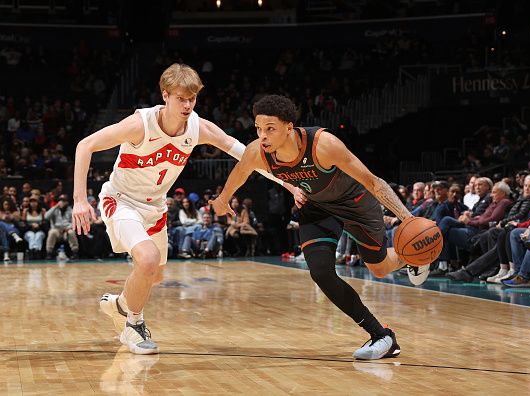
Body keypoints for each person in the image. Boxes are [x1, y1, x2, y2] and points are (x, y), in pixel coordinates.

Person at [71, 64, 295, 355]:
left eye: (192, 98)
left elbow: (244, 152)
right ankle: (133, 326)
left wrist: (288, 183)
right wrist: (79, 199)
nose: (188, 104)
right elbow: (85, 145)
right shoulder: (140, 124)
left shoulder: (198, 127)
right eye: (181, 98)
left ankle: (120, 306)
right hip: (122, 200)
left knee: (155, 276)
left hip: (155, 207)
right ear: (165, 95)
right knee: (147, 260)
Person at [210, 94, 432, 360]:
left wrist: (407, 218)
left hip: (355, 204)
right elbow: (239, 174)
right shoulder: (258, 152)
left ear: (289, 128)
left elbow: (374, 182)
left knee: (381, 268)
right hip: (318, 209)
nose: (263, 136)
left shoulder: (323, 145)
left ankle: (411, 256)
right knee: (321, 272)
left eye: (270, 129)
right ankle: (382, 336)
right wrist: (222, 200)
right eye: (258, 129)